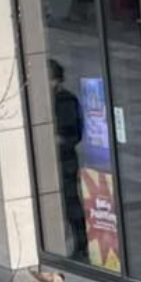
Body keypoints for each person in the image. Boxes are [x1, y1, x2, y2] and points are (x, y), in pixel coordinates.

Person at [49, 60, 87, 259]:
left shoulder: (64, 100)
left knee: (71, 202)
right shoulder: (54, 100)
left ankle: (82, 244)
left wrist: (58, 140)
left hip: (65, 160)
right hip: (61, 159)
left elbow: (72, 135)